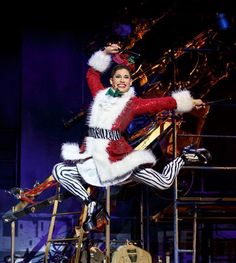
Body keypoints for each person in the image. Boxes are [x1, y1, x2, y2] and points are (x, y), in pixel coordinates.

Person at [52, 43, 211, 231]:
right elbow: (91, 75)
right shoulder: (100, 95)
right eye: (118, 77)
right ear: (111, 81)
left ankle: (184, 157)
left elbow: (163, 103)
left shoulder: (133, 104)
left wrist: (191, 102)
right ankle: (92, 205)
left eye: (126, 77)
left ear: (129, 82)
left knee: (163, 182)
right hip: (95, 158)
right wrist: (104, 53)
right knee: (60, 171)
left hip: (119, 160)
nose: (122, 80)